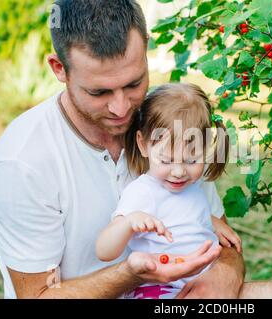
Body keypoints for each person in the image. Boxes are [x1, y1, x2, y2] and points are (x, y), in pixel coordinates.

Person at [0, 0, 272, 299]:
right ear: (59, 68)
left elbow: (221, 240)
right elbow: (38, 296)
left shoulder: (168, 128)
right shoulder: (22, 162)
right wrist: (132, 274)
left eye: (134, 84)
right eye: (99, 91)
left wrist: (222, 277)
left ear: (145, 47)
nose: (122, 109)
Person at [96, 83, 242, 299]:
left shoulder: (195, 185)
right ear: (143, 145)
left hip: (202, 284)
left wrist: (210, 220)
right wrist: (128, 223)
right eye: (166, 160)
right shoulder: (143, 192)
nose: (179, 172)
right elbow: (104, 250)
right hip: (158, 289)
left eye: (192, 159)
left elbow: (182, 213)